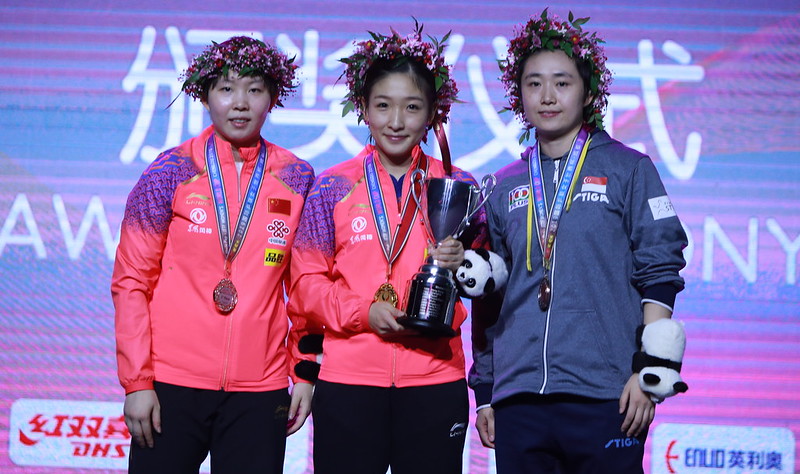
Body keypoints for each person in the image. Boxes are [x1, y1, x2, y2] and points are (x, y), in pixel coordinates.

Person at [468, 10, 688, 473]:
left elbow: (660, 268)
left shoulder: (630, 169)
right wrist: (486, 390)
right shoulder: (504, 185)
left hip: (607, 393)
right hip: (520, 399)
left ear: (588, 92)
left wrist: (648, 371)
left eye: (562, 83)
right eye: (534, 84)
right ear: (519, 93)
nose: (547, 96)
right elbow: (490, 299)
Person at [111, 36, 316, 473]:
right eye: (226, 88)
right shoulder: (169, 172)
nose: (240, 103)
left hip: (259, 391)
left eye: (254, 89)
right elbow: (131, 282)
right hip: (170, 384)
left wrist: (303, 372)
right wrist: (137, 383)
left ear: (273, 98)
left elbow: (305, 290)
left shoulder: (298, 178)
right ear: (204, 95)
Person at [287, 22, 484, 474]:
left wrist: (466, 262)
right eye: (383, 106)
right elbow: (304, 286)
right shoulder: (331, 187)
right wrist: (363, 311)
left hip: (435, 379)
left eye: (412, 107)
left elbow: (489, 279)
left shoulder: (460, 188)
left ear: (434, 112)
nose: (396, 122)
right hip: (349, 380)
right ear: (363, 109)